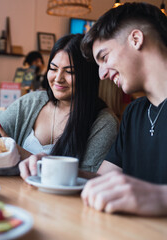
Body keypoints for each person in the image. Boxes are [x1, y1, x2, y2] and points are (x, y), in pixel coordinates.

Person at [0, 34, 119, 173]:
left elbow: (88, 179)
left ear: (88, 76)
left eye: (69, 71)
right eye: (53, 68)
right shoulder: (33, 102)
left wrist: (18, 152)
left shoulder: (104, 123)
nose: (58, 78)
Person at [77, 2, 167, 216]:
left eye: (104, 57)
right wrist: (51, 167)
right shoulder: (134, 112)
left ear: (136, 39)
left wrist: (159, 197)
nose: (101, 75)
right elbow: (104, 180)